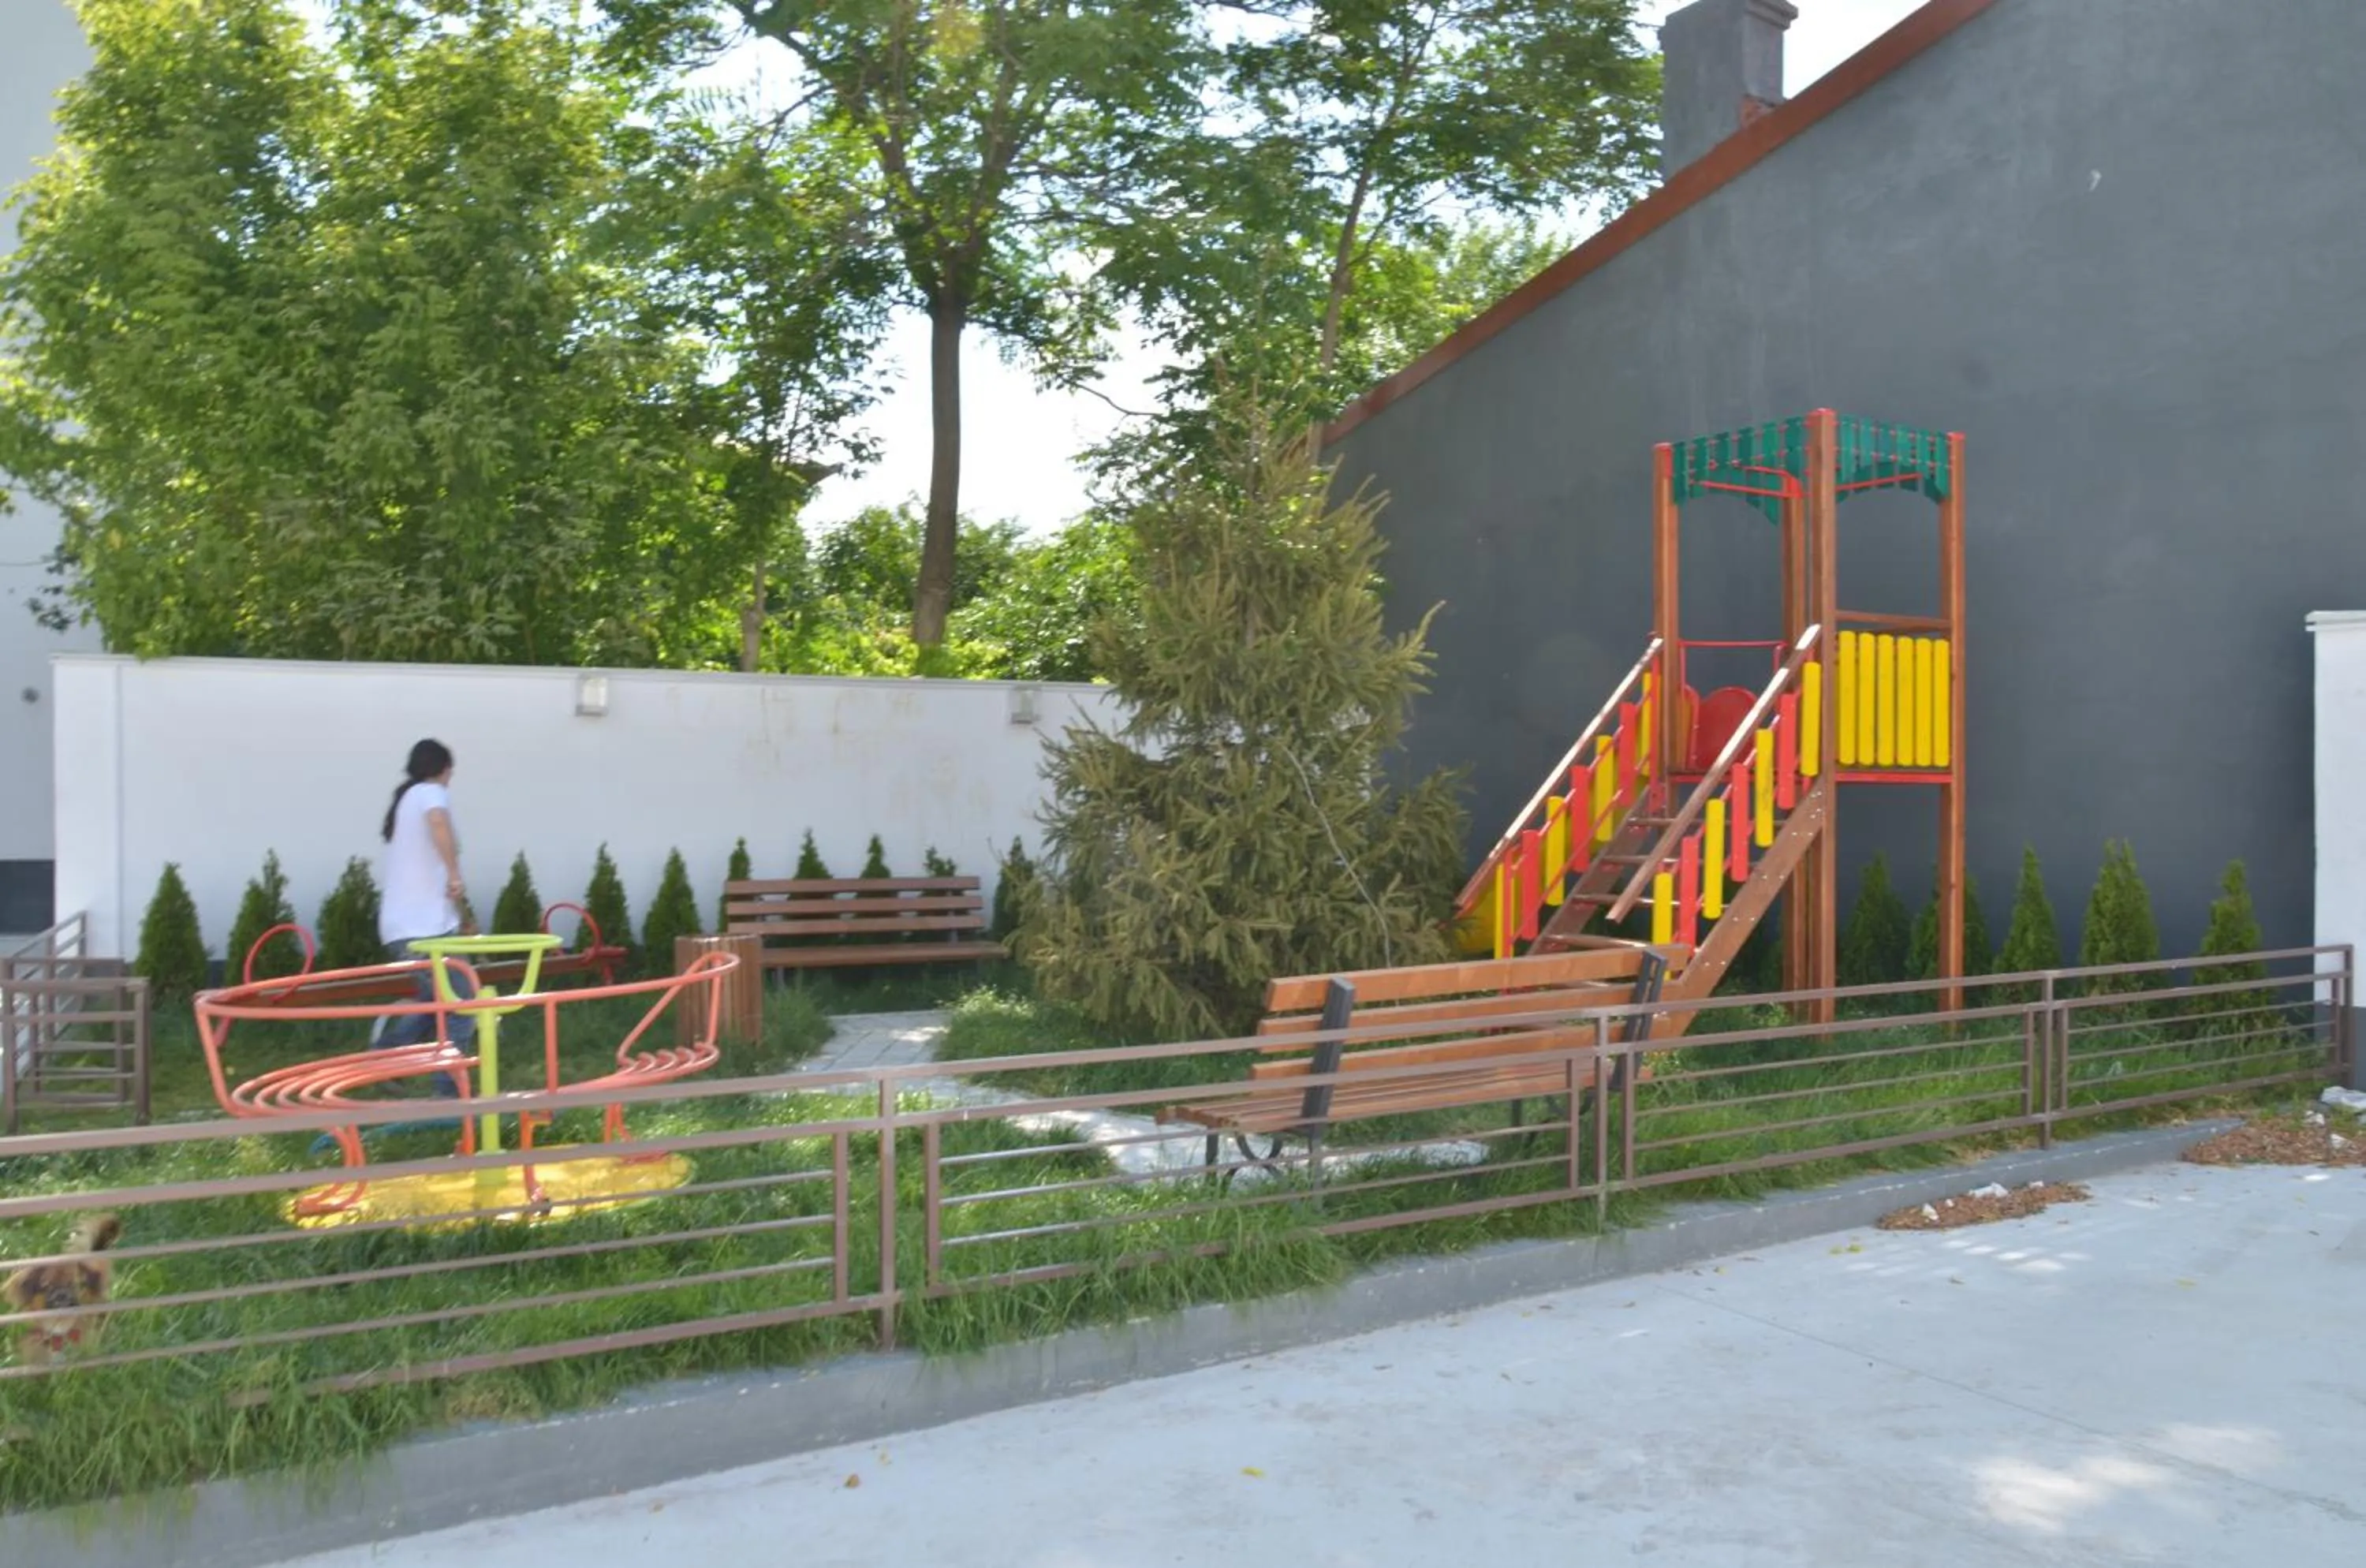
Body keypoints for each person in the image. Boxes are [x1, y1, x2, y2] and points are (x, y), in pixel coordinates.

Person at [375, 738, 477, 1066]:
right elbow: (438, 823)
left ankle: (384, 1056)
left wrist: (460, 915)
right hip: (426, 929)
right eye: (451, 772)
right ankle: (449, 1089)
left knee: (436, 1000)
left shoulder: (406, 799)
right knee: (464, 1005)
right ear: (443, 769)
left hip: (400, 928)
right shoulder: (431, 792)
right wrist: (454, 872)